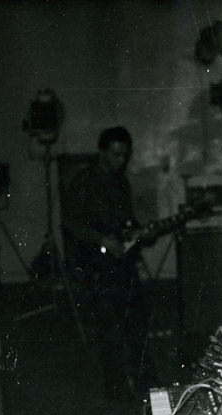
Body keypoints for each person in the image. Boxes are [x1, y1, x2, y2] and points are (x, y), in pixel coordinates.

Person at [60, 125, 155, 400]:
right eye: (115, 155)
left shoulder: (120, 182)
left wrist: (138, 231)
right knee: (109, 329)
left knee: (136, 321)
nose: (120, 161)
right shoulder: (83, 181)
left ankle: (144, 382)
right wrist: (102, 240)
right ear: (101, 152)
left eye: (124, 155)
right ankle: (116, 390)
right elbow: (70, 223)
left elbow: (123, 223)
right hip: (95, 266)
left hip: (121, 264)